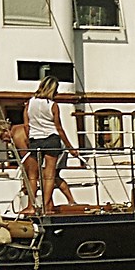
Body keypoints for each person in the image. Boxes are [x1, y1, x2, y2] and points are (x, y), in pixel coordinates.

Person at [23, 73, 78, 215]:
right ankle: (46, 206)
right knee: (49, 175)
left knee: (32, 175)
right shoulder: (53, 105)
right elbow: (59, 128)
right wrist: (70, 148)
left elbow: (26, 125)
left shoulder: (29, 103)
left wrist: (29, 140)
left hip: (35, 139)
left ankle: (31, 206)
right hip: (51, 139)